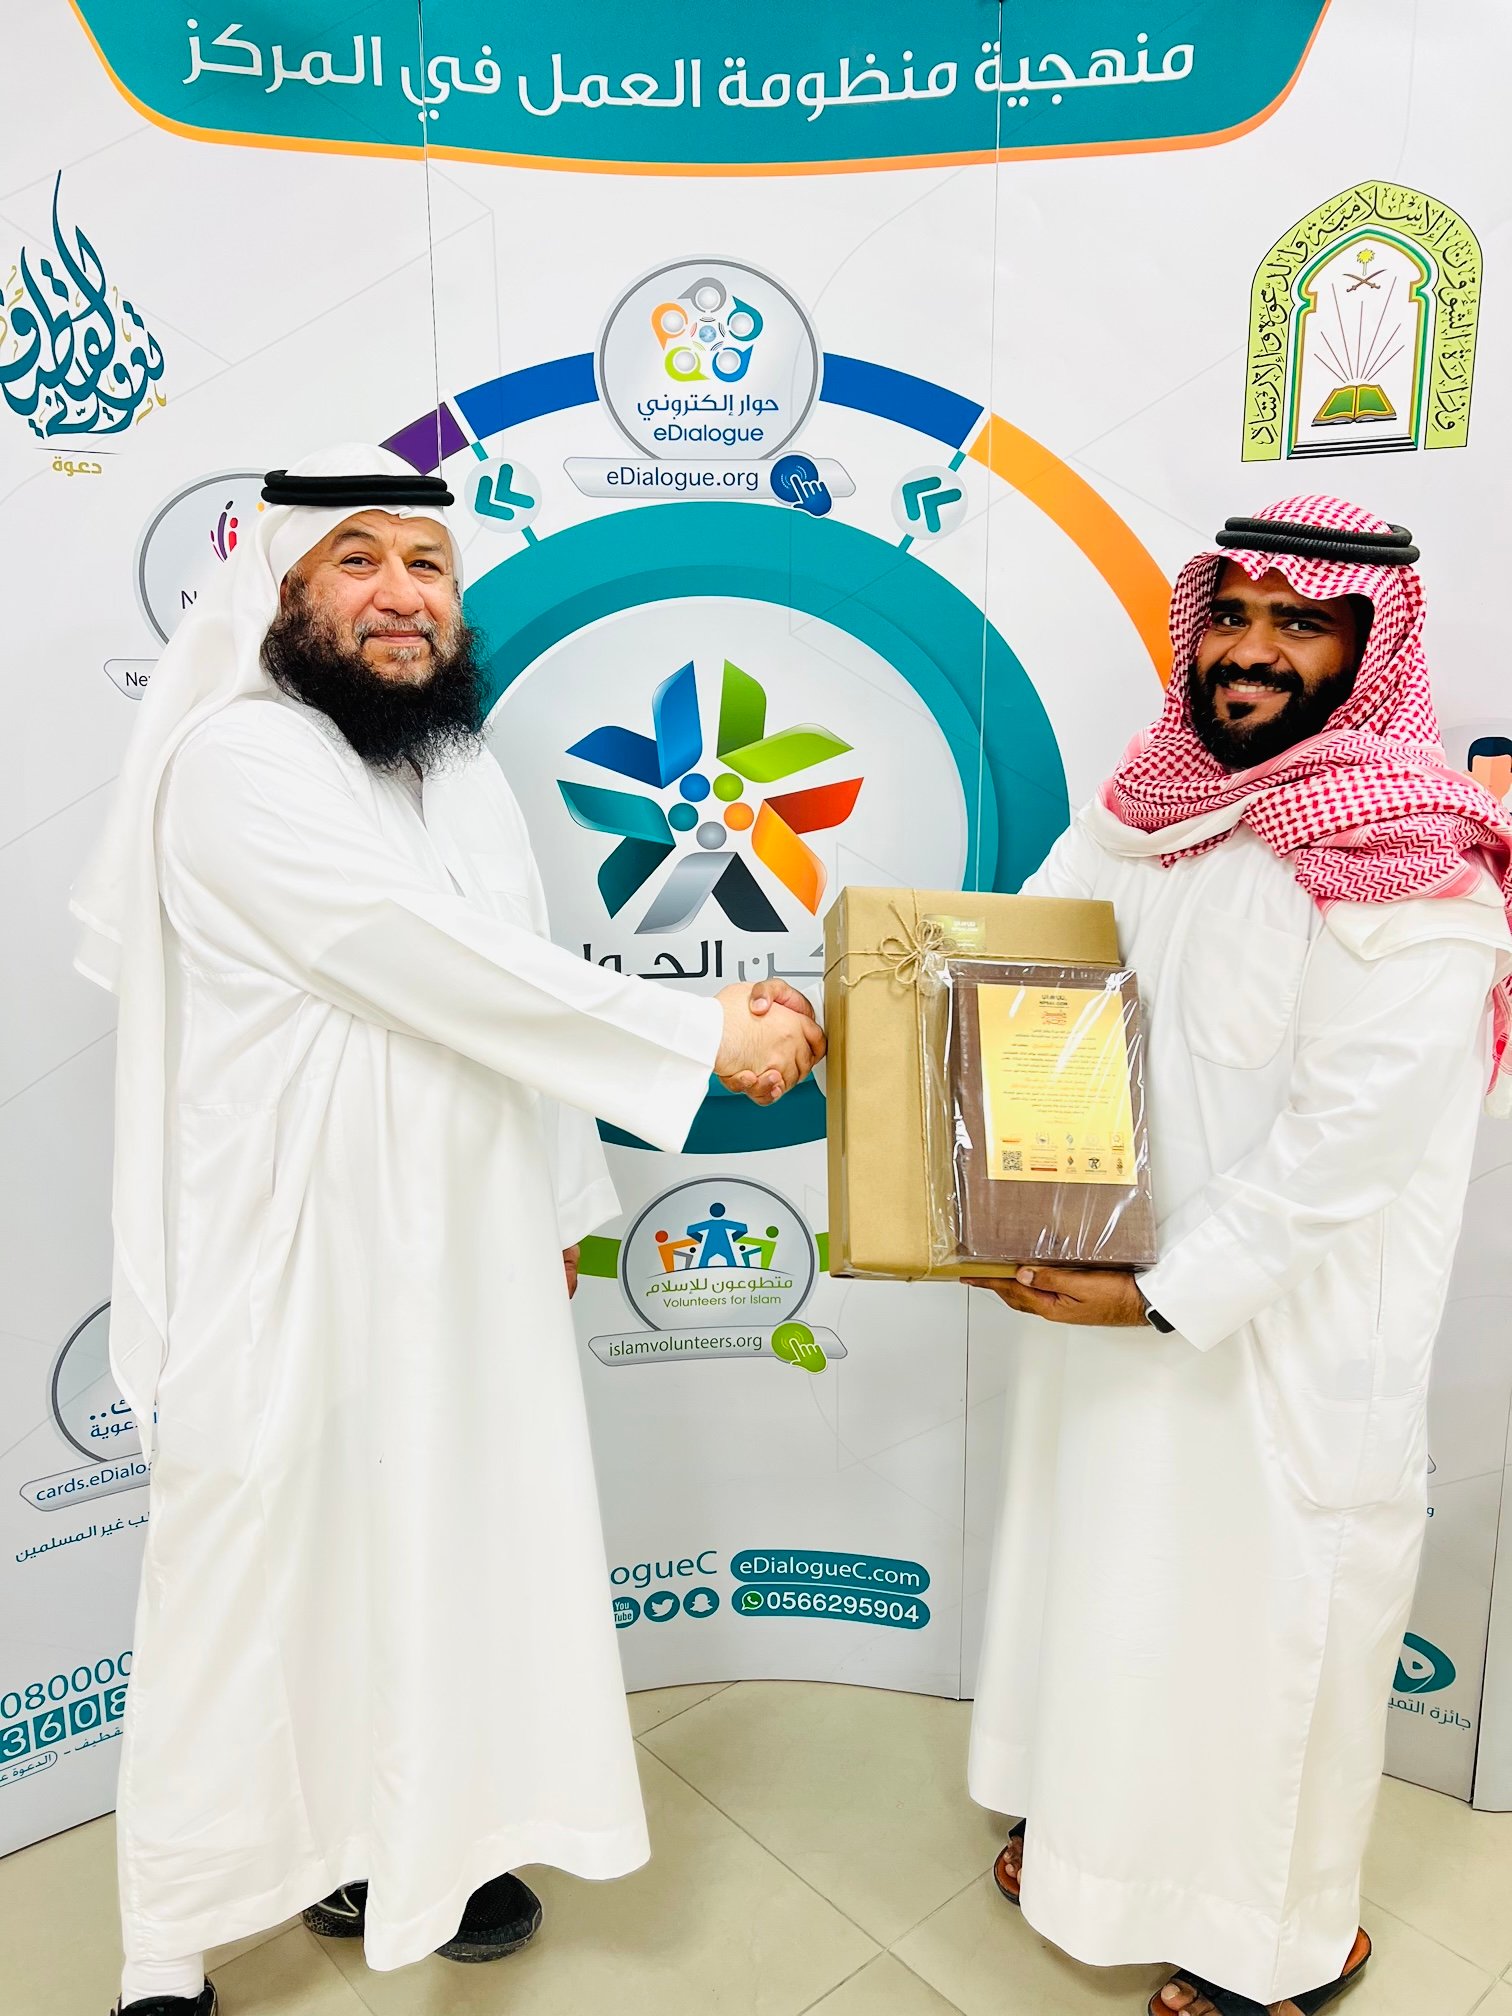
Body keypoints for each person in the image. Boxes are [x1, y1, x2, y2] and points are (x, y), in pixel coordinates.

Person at [71, 445, 825, 2016]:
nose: (403, 596)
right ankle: (170, 1940)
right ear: (279, 590)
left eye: (427, 563)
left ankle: (417, 1843)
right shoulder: (240, 759)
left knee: (449, 1554)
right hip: (290, 1256)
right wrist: (699, 1040)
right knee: (250, 1578)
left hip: (464, 1242)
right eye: (356, 560)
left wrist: (553, 1201)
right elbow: (413, 959)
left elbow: (515, 973)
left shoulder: (454, 768)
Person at [967, 496, 1512, 2016]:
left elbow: (1354, 1144)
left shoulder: (1418, 864)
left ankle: (1275, 1944)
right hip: (1108, 1297)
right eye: (1232, 614)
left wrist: (1159, 1292)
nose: (1251, 650)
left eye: (1298, 620)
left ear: (1371, 645)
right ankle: (1089, 1837)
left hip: (1278, 1341)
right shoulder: (1146, 812)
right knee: (1113, 1590)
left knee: (1263, 1641)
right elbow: (1006, 964)